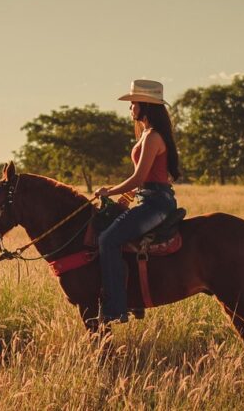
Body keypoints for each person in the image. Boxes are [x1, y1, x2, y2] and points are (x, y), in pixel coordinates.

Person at [93, 79, 181, 324]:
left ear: (145, 105)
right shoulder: (146, 135)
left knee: (108, 240)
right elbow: (143, 182)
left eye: (133, 103)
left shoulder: (152, 137)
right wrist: (125, 198)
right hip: (147, 198)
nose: (130, 108)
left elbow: (139, 177)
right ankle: (131, 299)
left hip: (156, 204)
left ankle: (116, 308)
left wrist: (108, 192)